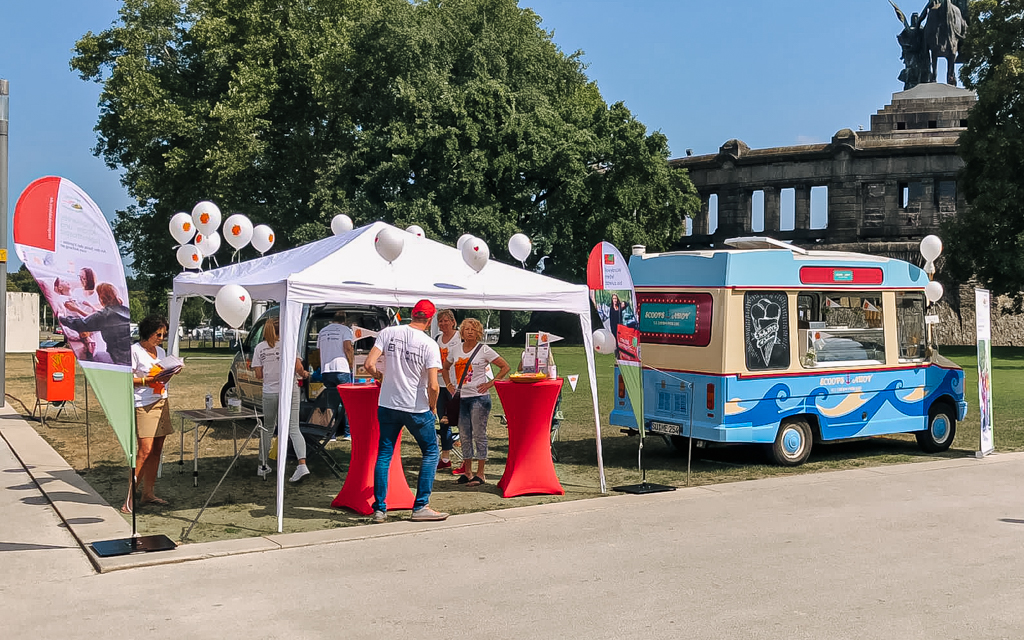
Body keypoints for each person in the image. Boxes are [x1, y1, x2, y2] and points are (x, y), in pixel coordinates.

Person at [363, 299, 448, 523]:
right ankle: (420, 505)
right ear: (430, 320)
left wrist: (381, 378)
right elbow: (433, 385)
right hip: (415, 405)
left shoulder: (388, 332)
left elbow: (369, 364)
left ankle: (380, 509)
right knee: (430, 452)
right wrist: (432, 406)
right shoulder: (429, 344)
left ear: (413, 314)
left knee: (384, 454)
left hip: (388, 403)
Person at [442, 317, 510, 488]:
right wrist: (449, 385)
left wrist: (490, 383)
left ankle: (480, 473)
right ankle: (467, 472)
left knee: (479, 434)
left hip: (479, 398)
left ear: (478, 332)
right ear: (462, 332)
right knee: (464, 435)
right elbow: (445, 367)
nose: (469, 332)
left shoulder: (484, 350)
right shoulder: (456, 349)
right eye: (466, 329)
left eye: (473, 329)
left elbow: (505, 367)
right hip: (461, 397)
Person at [125, 315, 182, 513]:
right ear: (148, 332)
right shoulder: (134, 351)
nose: (161, 338)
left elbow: (162, 373)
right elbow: (125, 379)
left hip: (161, 400)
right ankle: (129, 498)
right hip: (143, 403)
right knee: (145, 451)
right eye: (158, 334)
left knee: (157, 450)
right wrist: (145, 381)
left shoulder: (160, 351)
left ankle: (148, 493)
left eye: (163, 335)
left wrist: (171, 372)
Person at [253, 316, 312, 482]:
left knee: (268, 428)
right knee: (293, 427)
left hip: (270, 392)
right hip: (289, 390)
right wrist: (306, 374)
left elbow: (258, 375)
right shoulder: (289, 346)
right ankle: (302, 464)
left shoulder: (260, 348)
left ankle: (262, 465)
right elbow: (299, 369)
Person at [60, 282, 131, 365]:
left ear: (101, 298)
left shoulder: (105, 315)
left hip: (117, 360)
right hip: (129, 359)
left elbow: (81, 324)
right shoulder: (125, 310)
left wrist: (61, 317)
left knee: (96, 357)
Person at [317, 310, 355, 440]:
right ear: (344, 320)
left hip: (326, 370)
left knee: (330, 404)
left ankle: (331, 434)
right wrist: (351, 363)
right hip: (342, 368)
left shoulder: (322, 331)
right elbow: (348, 347)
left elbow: (319, 350)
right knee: (347, 402)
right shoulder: (345, 330)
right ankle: (348, 433)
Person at [434, 309, 461, 471]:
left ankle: (467, 459)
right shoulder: (437, 338)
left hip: (456, 384)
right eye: (440, 321)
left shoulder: (460, 337)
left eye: (446, 321)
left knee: (461, 420)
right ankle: (445, 458)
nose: (443, 324)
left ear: (453, 322)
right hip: (439, 384)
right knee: (443, 421)